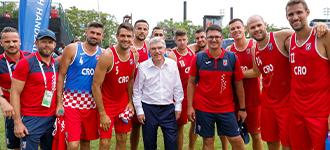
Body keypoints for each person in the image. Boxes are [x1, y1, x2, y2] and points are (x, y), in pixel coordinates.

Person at [187, 25, 246, 150]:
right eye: (211, 37)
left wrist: (242, 108)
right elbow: (191, 82)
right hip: (203, 108)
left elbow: (239, 84)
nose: (214, 40)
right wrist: (190, 106)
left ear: (222, 38)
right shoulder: (198, 58)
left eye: (217, 37)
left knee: (237, 140)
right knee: (208, 142)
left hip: (226, 108)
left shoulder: (231, 57)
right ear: (207, 39)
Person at [285, 0, 330, 149]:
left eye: (299, 12)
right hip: (296, 111)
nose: (295, 17)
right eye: (290, 14)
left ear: (307, 13)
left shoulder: (323, 35)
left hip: (320, 113)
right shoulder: (289, 41)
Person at [56, 22, 104, 149]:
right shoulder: (72, 49)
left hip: (91, 105)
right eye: (92, 32)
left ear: (102, 36)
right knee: (73, 144)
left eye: (98, 34)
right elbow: (61, 76)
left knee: (85, 142)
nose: (95, 36)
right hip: (72, 104)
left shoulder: (103, 53)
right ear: (86, 32)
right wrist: (59, 102)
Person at [10, 29, 58, 150]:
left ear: (55, 45)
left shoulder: (56, 64)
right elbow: (15, 92)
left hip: (52, 118)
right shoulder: (26, 63)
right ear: (36, 43)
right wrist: (17, 122)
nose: (47, 45)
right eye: (43, 41)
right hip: (31, 118)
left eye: (50, 42)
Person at [133, 37, 183, 150]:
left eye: (160, 48)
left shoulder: (172, 65)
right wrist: (139, 110)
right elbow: (137, 90)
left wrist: (178, 106)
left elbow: (177, 87)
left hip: (168, 109)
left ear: (165, 49)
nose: (157, 51)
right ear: (149, 51)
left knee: (171, 144)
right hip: (149, 109)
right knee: (149, 144)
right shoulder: (143, 67)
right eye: (153, 49)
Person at [92, 22, 137, 150]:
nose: (126, 39)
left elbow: (130, 80)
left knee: (122, 139)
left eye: (129, 36)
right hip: (107, 105)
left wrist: (130, 102)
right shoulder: (107, 56)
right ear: (117, 36)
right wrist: (102, 113)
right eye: (122, 35)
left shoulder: (134, 55)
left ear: (132, 38)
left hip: (123, 104)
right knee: (105, 143)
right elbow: (95, 85)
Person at [227, 18, 263, 150]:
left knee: (256, 135)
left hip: (253, 98)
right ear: (230, 32)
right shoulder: (229, 50)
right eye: (232, 29)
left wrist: (237, 74)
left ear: (244, 29)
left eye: (238, 27)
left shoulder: (254, 45)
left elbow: (257, 72)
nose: (236, 30)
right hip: (235, 100)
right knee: (235, 136)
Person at [0, 27, 30, 150]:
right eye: (7, 42)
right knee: (16, 145)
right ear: (1, 43)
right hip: (11, 110)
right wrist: (3, 101)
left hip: (32, 108)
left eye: (15, 41)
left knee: (34, 142)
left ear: (20, 41)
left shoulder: (31, 57)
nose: (12, 44)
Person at [171, 29, 195, 150]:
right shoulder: (172, 55)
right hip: (179, 95)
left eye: (184, 39)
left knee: (195, 122)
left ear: (187, 39)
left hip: (193, 93)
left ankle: (191, 147)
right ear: (175, 40)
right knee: (179, 126)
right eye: (179, 40)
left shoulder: (192, 51)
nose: (182, 42)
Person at [130, 19, 149, 150]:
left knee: (146, 125)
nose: (142, 31)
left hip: (147, 92)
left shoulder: (149, 46)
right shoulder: (127, 45)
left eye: (145, 29)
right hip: (129, 92)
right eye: (139, 28)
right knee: (134, 127)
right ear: (134, 30)